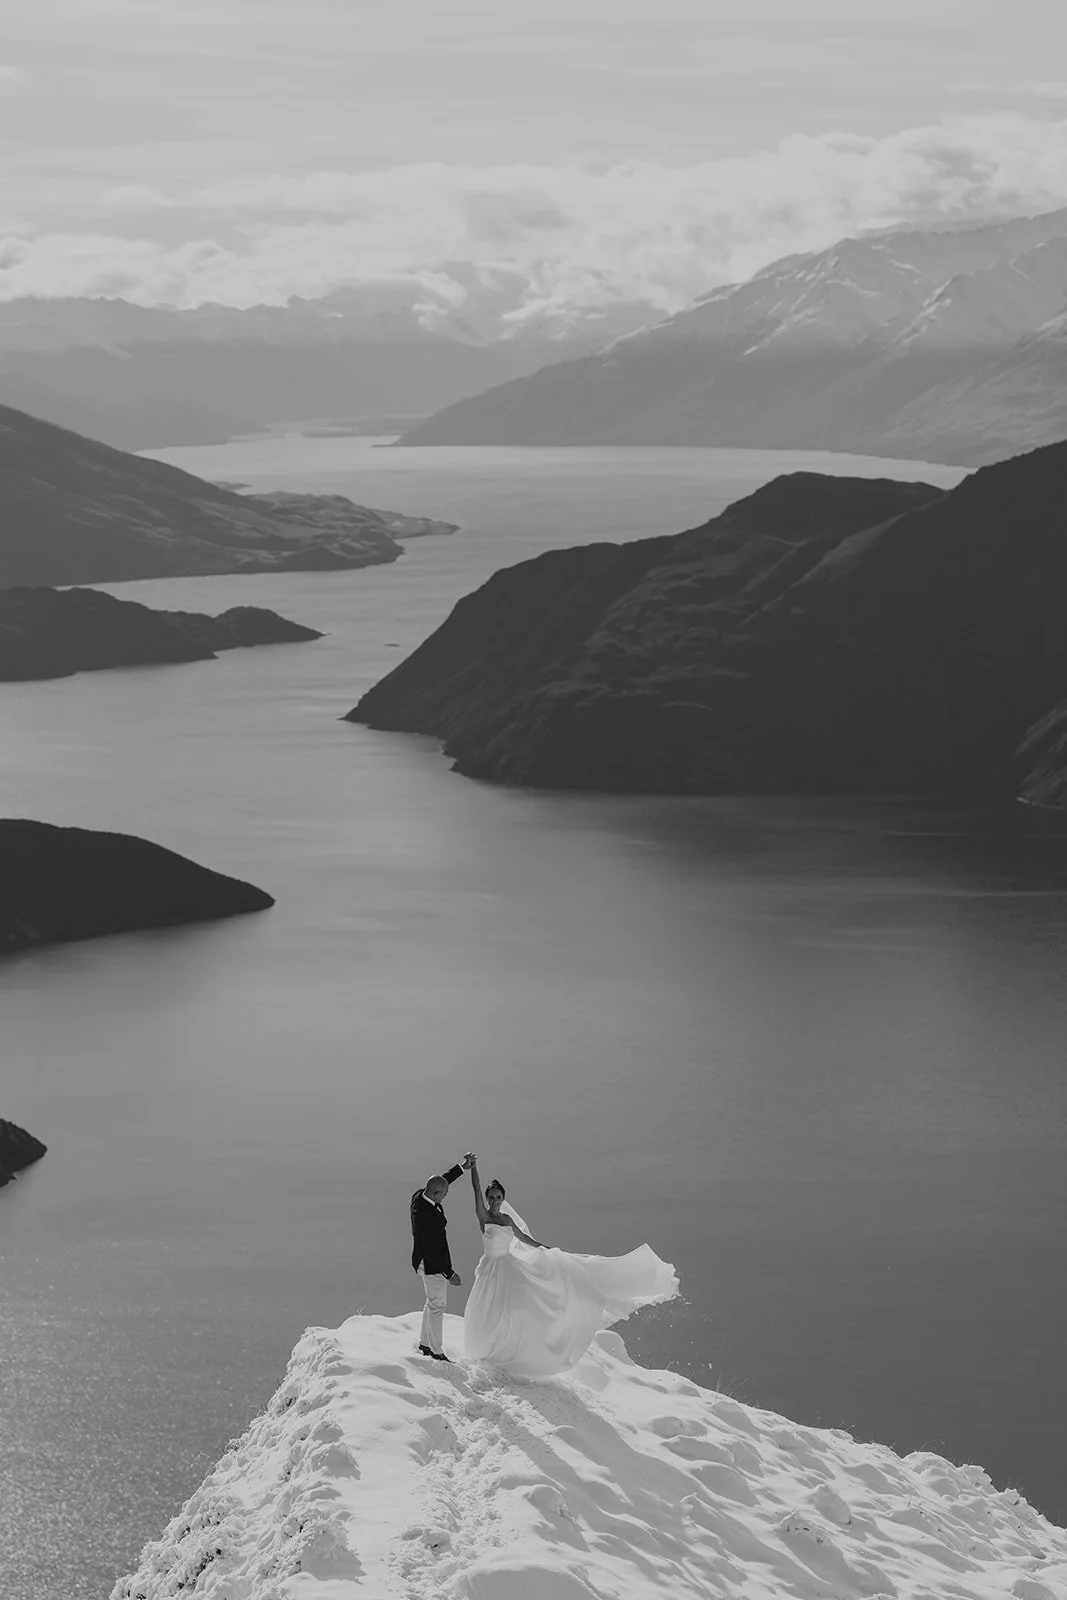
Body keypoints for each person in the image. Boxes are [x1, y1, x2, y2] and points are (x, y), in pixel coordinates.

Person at [462, 1153, 679, 1378]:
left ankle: (508, 1351)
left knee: (516, 1307)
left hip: (508, 1268)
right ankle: (485, 1349)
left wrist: (546, 1249)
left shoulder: (507, 1221)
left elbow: (524, 1239)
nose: (495, 1200)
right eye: (492, 1197)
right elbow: (475, 1189)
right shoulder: (484, 1217)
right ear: (487, 1199)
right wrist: (474, 1167)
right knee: (487, 1308)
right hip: (490, 1268)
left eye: (498, 1196)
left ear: (503, 1198)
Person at [410, 1154, 472, 1361]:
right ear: (436, 1194)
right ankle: (436, 1352)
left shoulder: (420, 1195)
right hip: (430, 1264)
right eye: (444, 1194)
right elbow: (432, 1250)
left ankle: (425, 1344)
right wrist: (449, 1274)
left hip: (426, 1260)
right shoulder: (426, 1218)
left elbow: (440, 1181)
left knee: (432, 1302)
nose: (446, 1195)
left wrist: (461, 1169)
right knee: (438, 1306)